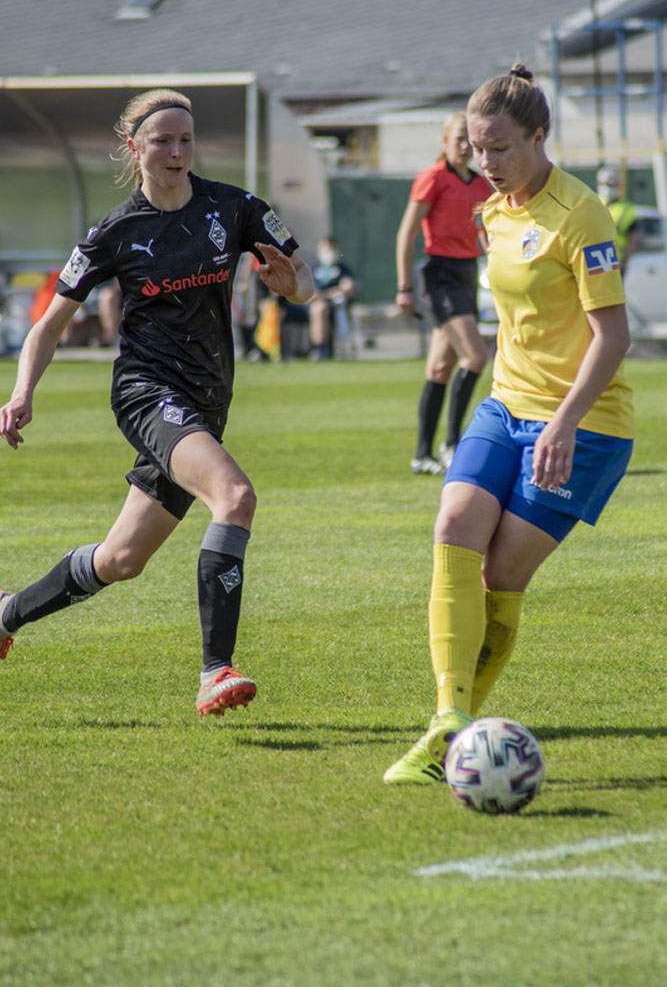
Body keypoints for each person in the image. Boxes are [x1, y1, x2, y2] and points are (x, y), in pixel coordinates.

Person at [0, 88, 314, 716]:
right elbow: (50, 323)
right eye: (162, 140)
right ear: (133, 146)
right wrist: (20, 393)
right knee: (236, 496)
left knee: (120, 560)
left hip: (205, 403)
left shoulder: (237, 208)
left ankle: (6, 613)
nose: (176, 151)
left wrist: (292, 289)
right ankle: (215, 671)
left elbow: (301, 280)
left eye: (185, 140)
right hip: (147, 393)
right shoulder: (113, 232)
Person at [384, 64, 633, 784]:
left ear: (537, 136)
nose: (485, 164)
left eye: (500, 149)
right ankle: (449, 720)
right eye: (475, 148)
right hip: (506, 404)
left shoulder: (580, 214)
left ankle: (447, 752)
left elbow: (611, 337)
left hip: (584, 426)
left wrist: (560, 425)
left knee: (499, 575)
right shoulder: (492, 210)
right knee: (452, 522)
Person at [396, 112, 492, 475]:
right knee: (477, 356)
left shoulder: (482, 186)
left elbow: (485, 233)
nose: (466, 147)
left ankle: (423, 455)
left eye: (472, 140)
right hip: (440, 274)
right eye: (459, 140)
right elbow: (406, 234)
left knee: (439, 368)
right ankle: (452, 444)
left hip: (467, 274)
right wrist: (404, 286)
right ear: (445, 143)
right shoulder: (433, 178)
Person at [308, 237, 356, 360]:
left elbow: (347, 287)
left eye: (330, 248)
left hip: (335, 305)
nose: (327, 252)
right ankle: (318, 348)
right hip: (310, 304)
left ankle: (321, 350)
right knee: (317, 308)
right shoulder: (313, 268)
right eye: (324, 248)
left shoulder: (343, 269)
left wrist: (324, 295)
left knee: (320, 308)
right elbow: (306, 289)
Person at [596, 165, 641, 275]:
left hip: (616, 263)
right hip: (593, 263)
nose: (608, 187)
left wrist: (624, 261)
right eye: (605, 184)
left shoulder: (627, 209)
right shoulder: (592, 204)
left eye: (612, 184)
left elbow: (634, 239)